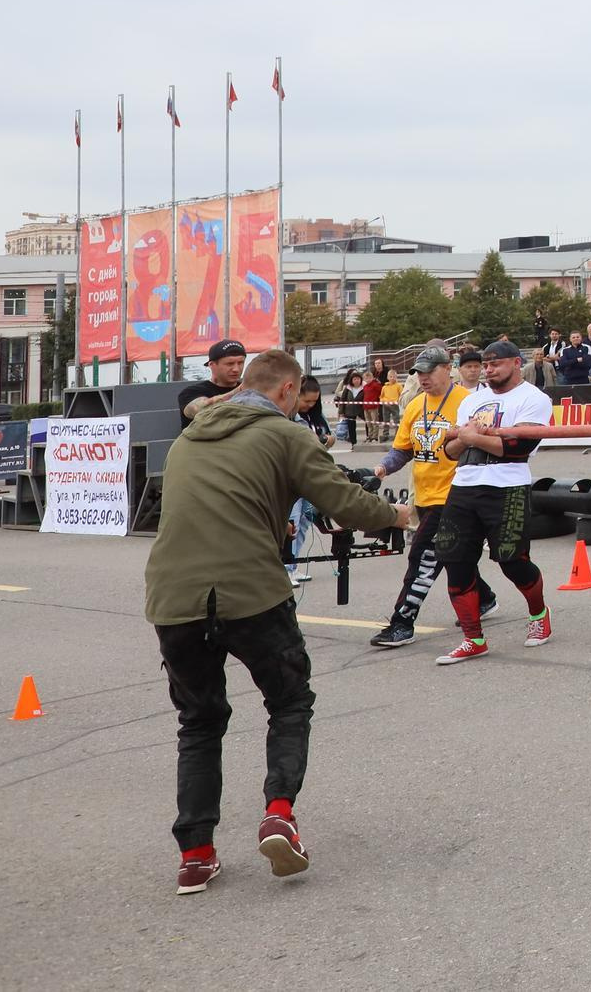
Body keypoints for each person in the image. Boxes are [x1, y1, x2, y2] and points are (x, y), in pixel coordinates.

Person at [145, 350, 416, 893]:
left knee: (199, 722)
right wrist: (398, 515)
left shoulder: (187, 440)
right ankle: (278, 815)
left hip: (173, 598)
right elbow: (343, 502)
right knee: (289, 702)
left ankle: (195, 855)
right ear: (289, 390)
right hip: (250, 592)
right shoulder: (287, 434)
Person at [430, 340, 556, 665]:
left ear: (516, 362)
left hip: (508, 486)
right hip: (464, 485)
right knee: (453, 558)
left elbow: (518, 448)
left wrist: (472, 437)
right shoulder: (473, 400)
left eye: (495, 363)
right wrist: (467, 439)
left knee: (512, 561)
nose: (488, 369)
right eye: (485, 364)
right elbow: (449, 451)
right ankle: (473, 639)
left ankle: (539, 613)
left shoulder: (534, 398)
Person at [367, 348, 487, 649]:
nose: (423, 378)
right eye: (419, 372)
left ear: (448, 369)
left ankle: (402, 623)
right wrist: (381, 469)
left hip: (455, 495)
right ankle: (484, 599)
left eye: (429, 371)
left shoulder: (468, 402)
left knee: (422, 556)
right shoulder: (415, 405)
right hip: (424, 494)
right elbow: (403, 449)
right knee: (451, 555)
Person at [179, 340, 249, 424]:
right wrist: (240, 390)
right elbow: (196, 410)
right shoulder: (192, 392)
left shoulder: (250, 389)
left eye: (240, 363)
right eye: (230, 364)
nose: (236, 369)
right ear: (212, 365)